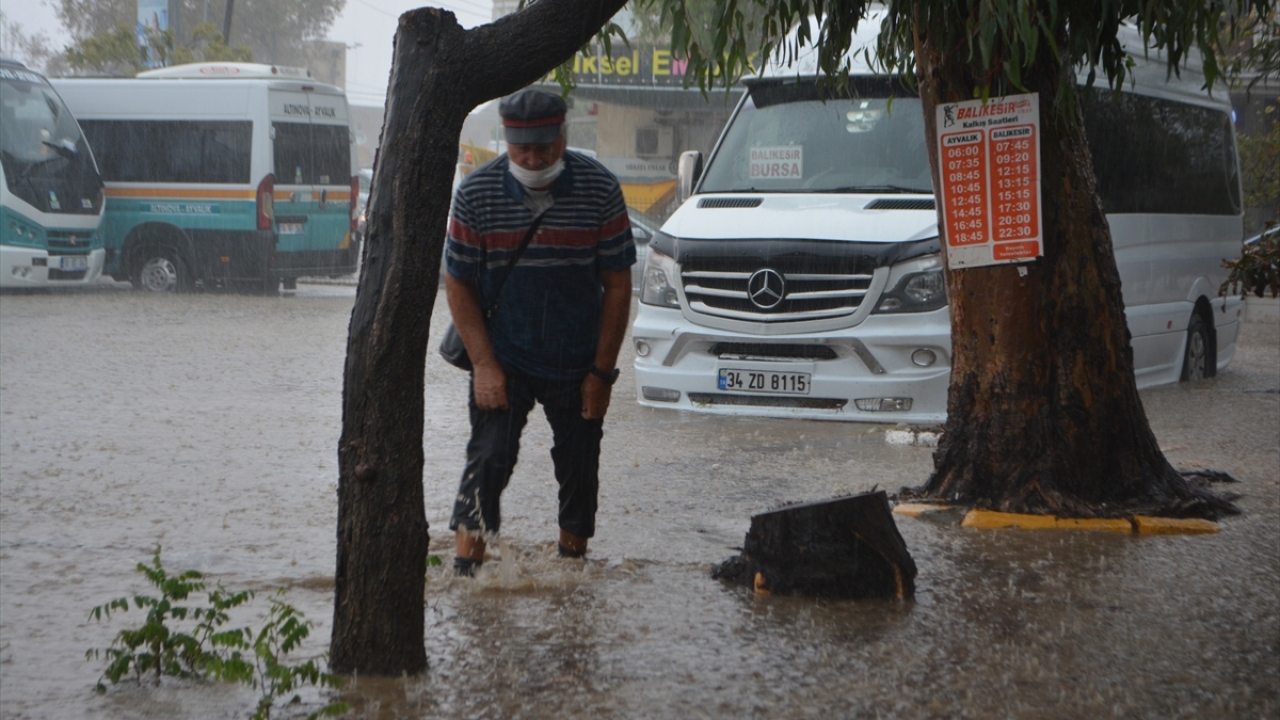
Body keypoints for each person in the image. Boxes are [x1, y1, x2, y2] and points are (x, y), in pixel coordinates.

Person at [444, 88, 635, 576]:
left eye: (544, 148)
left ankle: (572, 571)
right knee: (488, 460)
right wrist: (484, 365)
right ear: (506, 142)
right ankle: (467, 580)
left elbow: (617, 285)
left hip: (577, 359)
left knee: (579, 467)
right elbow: (458, 282)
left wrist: (602, 373)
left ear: (564, 138)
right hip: (504, 356)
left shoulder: (599, 189)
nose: (533, 158)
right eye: (522, 149)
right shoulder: (476, 194)